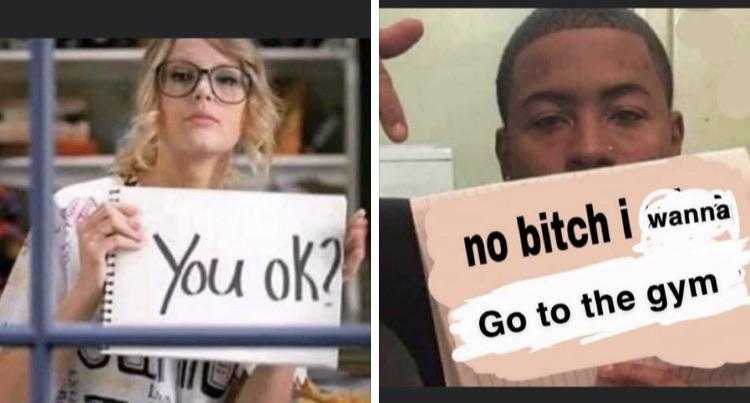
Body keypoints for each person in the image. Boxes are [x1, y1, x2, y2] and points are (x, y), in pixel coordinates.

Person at [380, 9, 748, 386]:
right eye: (549, 120)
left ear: (674, 138)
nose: (589, 150)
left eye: (625, 114)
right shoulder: (414, 276)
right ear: (505, 153)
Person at [0, 38, 368, 402]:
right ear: (153, 99)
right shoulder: (76, 214)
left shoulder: (269, 240)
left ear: (249, 111)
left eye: (226, 80)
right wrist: (84, 292)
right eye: (181, 75)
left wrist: (305, 297)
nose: (203, 91)